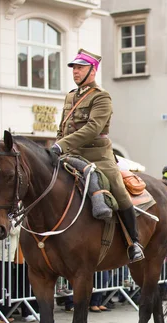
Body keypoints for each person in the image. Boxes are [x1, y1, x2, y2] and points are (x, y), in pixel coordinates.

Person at [50, 49, 143, 263]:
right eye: (73, 67)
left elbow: (93, 128)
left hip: (97, 155)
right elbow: (63, 127)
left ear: (92, 71)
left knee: (119, 192)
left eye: (80, 67)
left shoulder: (101, 96)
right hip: (70, 154)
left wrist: (61, 145)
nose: (75, 71)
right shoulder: (70, 96)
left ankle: (134, 242)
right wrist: (56, 145)